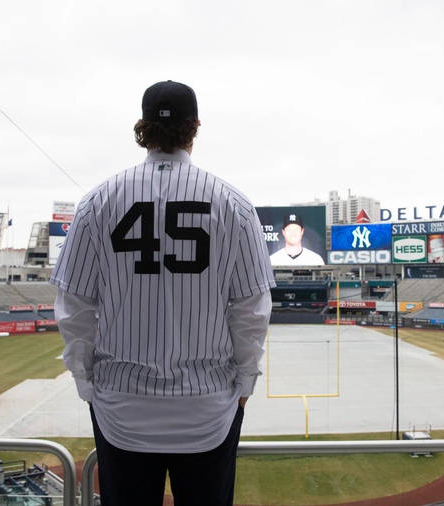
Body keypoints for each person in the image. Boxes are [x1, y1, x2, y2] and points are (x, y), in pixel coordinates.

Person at [50, 80, 274, 506]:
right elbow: (251, 310)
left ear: (142, 128)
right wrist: (245, 380)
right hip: (208, 408)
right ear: (195, 128)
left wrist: (85, 380)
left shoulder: (97, 201)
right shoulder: (234, 204)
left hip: (121, 407)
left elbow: (75, 305)